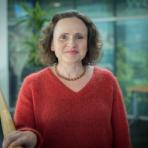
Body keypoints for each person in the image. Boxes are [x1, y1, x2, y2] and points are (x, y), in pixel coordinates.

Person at [3, 10, 131, 148]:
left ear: (88, 43)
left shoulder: (108, 80)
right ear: (51, 44)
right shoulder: (32, 84)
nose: (72, 43)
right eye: (63, 37)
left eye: (79, 37)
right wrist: (31, 136)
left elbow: (122, 136)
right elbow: (22, 132)